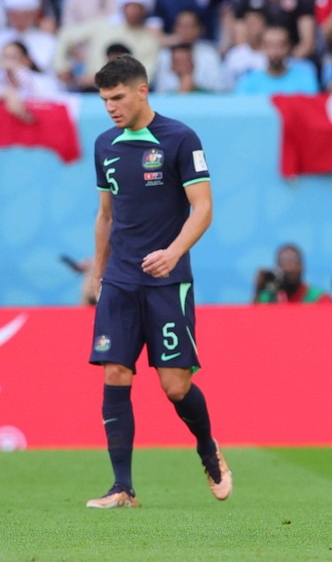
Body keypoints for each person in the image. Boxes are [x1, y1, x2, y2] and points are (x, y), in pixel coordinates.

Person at [86, 54, 231, 508]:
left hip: (168, 281)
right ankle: (122, 486)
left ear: (142, 91)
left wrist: (173, 253)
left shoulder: (179, 138)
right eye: (105, 100)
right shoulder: (104, 144)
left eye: (118, 97)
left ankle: (208, 448)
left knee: (175, 386)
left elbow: (202, 207)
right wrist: (97, 271)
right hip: (121, 281)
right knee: (115, 371)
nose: (111, 107)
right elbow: (106, 215)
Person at [234, 25, 318, 94]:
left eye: (280, 46)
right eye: (269, 46)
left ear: (288, 47)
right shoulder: (249, 81)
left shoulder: (304, 78)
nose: (275, 52)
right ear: (262, 48)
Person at [252, 243, 332, 303]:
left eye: (292, 262)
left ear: (301, 266)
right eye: (282, 263)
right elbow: (253, 322)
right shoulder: (268, 298)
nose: (288, 268)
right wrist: (258, 291)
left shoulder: (319, 299)